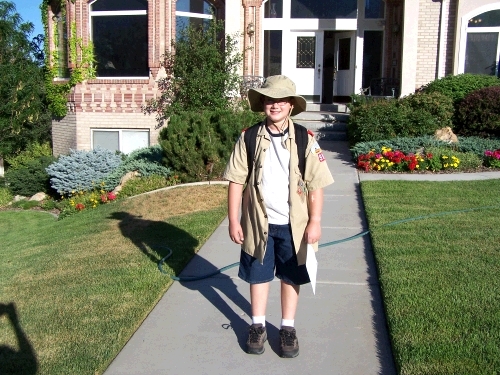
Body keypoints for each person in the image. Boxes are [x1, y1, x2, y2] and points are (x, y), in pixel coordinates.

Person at [223, 75, 334, 358]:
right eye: (270, 100)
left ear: (291, 105)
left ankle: (287, 328)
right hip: (258, 223)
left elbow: (316, 183)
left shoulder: (304, 139)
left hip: (293, 226)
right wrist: (234, 220)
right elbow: (236, 181)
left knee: (289, 276)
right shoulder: (248, 137)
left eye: (281, 100)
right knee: (258, 277)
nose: (275, 105)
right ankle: (257, 326)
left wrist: (315, 221)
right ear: (263, 104)